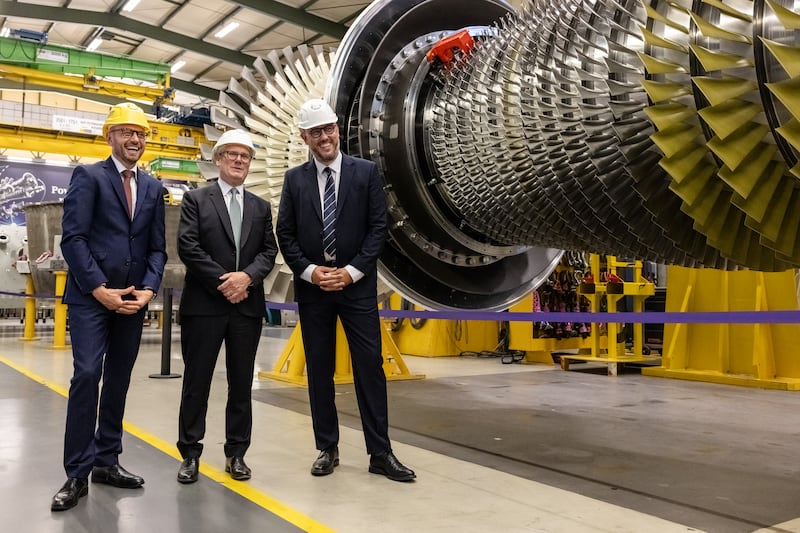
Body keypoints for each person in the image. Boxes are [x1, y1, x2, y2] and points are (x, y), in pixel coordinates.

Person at [276, 98, 415, 482]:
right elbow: (285, 234)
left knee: (369, 366)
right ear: (305, 137)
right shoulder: (295, 180)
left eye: (329, 129)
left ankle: (380, 452)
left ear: (337, 129)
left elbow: (377, 230)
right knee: (319, 369)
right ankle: (327, 447)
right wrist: (309, 272)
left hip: (356, 289)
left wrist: (351, 272)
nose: (325, 137)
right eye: (316, 132)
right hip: (315, 290)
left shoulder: (366, 173)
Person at [52, 102, 167, 511]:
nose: (135, 139)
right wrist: (99, 288)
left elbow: (157, 248)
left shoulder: (152, 187)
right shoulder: (89, 177)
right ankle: (76, 472)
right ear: (110, 136)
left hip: (133, 301)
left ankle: (107, 460)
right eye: (126, 132)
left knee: (118, 378)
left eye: (141, 133)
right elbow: (73, 239)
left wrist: (149, 290)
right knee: (87, 375)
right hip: (91, 300)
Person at [175, 129, 277, 484]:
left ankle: (237, 453)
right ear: (218, 159)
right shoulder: (196, 200)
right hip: (205, 306)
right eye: (231, 154)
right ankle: (189, 453)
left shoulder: (260, 207)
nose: (238, 160)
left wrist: (245, 279)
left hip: (246, 308)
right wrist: (227, 282)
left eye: (244, 156)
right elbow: (188, 247)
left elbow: (268, 252)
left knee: (240, 384)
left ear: (250, 163)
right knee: (196, 381)